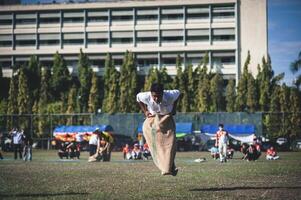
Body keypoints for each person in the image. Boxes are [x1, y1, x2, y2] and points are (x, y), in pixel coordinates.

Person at [137, 83, 180, 176]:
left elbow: (179, 94)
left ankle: (170, 166)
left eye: (158, 96)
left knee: (170, 145)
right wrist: (145, 111)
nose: (156, 99)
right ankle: (167, 168)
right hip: (153, 118)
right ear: (151, 94)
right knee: (158, 145)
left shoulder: (170, 95)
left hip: (167, 119)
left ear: (163, 94)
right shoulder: (146, 96)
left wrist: (174, 109)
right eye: (154, 96)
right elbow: (138, 98)